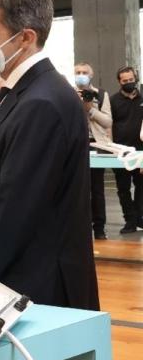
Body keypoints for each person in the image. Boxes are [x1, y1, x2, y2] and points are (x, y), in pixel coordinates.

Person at [0, 0, 99, 310]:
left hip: (36, 284)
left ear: (25, 37)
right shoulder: (22, 92)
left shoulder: (42, 102)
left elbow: (13, 211)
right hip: (19, 275)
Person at [73, 63, 112, 239]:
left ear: (91, 75)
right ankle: (79, 227)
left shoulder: (101, 94)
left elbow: (107, 122)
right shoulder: (68, 92)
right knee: (77, 188)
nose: (81, 75)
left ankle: (99, 227)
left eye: (84, 72)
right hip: (76, 145)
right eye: (78, 72)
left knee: (97, 188)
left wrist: (90, 109)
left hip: (96, 144)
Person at [110, 66, 143, 234]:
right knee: (123, 189)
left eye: (131, 80)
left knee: (141, 187)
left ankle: (139, 217)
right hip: (120, 153)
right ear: (119, 82)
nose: (129, 82)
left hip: (141, 153)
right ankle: (129, 220)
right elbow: (108, 125)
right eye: (125, 81)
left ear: (135, 79)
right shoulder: (113, 101)